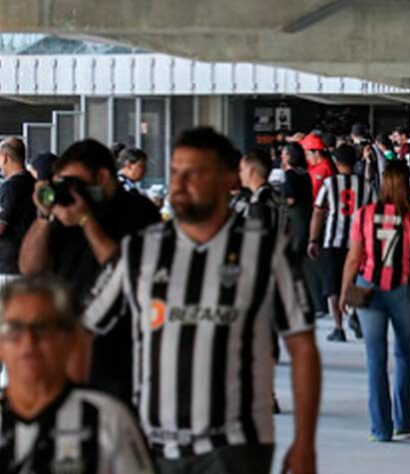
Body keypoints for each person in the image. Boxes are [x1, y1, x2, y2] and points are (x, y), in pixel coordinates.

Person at [81, 127, 321, 473]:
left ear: (228, 179)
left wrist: (304, 441)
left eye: (194, 173)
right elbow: (81, 329)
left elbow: (302, 346)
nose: (179, 183)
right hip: (151, 446)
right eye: (176, 171)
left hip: (236, 446)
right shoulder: (139, 250)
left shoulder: (266, 252)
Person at [19, 139, 161, 404]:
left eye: (75, 182)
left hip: (121, 350)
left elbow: (126, 271)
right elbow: (30, 268)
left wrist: (86, 220)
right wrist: (43, 217)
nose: (69, 190)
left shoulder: (138, 211)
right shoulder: (62, 213)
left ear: (103, 177)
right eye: (63, 183)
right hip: (69, 347)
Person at [0, 277, 155, 473]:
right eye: (15, 329)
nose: (29, 341)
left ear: (68, 340)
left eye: (42, 328)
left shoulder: (108, 418)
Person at [339, 161, 410, 442]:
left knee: (375, 359)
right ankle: (405, 421)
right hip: (404, 289)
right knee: (404, 354)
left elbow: (354, 257)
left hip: (370, 289)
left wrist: (345, 290)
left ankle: (381, 428)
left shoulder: (364, 214)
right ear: (406, 185)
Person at [308, 144, 375, 342]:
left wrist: (313, 239)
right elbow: (373, 213)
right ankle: (354, 314)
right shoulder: (366, 185)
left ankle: (338, 328)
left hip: (332, 241)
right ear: (355, 163)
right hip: (358, 243)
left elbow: (318, 212)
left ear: (336, 163)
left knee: (332, 286)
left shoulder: (329, 184)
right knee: (354, 281)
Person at [0, 138, 36, 287]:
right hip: (33, 262)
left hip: (10, 266)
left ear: (4, 157)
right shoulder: (35, 183)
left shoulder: (9, 187)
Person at [238, 148, 283, 227]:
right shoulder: (274, 194)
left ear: (251, 171)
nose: (239, 174)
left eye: (241, 169)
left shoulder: (259, 201)